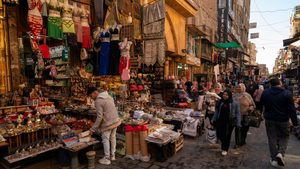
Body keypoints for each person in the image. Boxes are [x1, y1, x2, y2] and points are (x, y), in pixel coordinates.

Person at [260, 78, 298, 168]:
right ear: (280, 83)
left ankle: (274, 159)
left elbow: (261, 104)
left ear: (270, 84)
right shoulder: (287, 93)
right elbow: (292, 110)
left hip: (270, 119)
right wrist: (295, 122)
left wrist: (261, 114)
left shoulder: (265, 93)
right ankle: (280, 153)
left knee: (272, 138)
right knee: (284, 136)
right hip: (283, 120)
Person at [88, 87, 121, 165]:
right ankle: (113, 156)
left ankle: (107, 158)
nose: (91, 98)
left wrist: (92, 129)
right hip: (115, 120)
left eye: (91, 95)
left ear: (94, 93)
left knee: (105, 139)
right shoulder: (108, 96)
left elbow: (99, 117)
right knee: (113, 138)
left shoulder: (98, 101)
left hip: (108, 123)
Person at [212, 89, 241, 156]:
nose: (224, 96)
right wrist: (213, 119)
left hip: (229, 122)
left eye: (226, 95)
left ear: (229, 95)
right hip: (220, 121)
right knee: (219, 134)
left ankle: (225, 149)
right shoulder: (220, 102)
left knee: (227, 136)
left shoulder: (234, 103)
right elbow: (217, 111)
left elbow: (238, 113)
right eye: (224, 94)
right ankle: (223, 144)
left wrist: (238, 123)